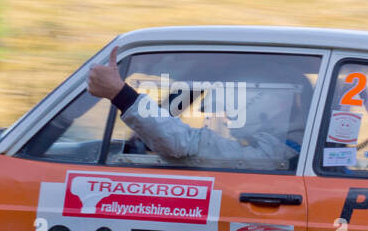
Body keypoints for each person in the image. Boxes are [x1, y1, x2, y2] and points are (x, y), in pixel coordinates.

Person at [86, 48, 308, 169]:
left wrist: (120, 94)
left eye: (232, 111)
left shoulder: (270, 155)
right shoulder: (291, 145)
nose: (228, 119)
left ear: (265, 105)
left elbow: (182, 144)